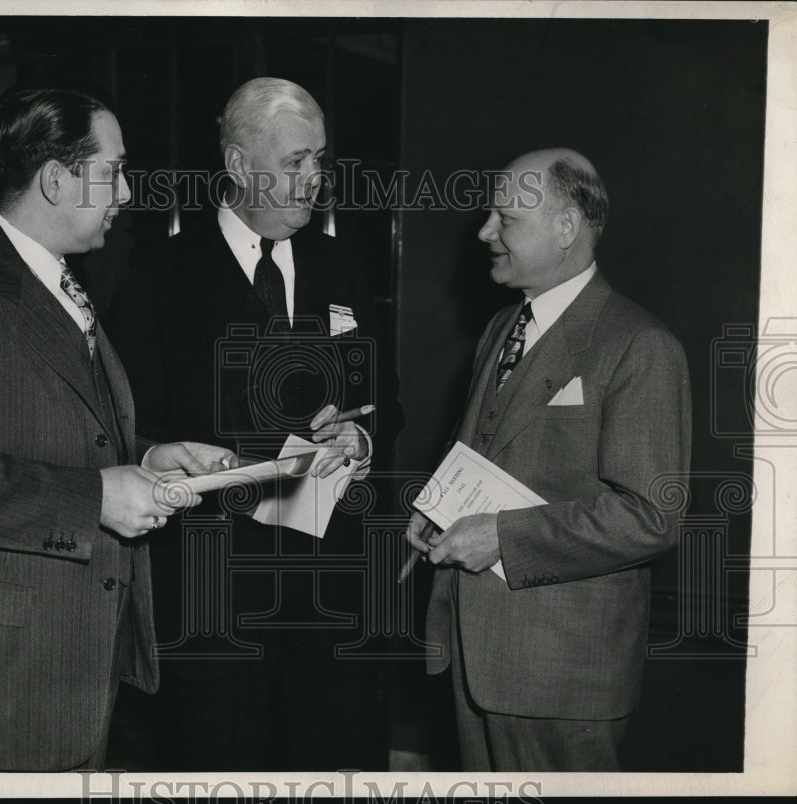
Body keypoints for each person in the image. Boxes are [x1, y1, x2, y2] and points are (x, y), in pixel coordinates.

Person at [0, 85, 236, 772]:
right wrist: (97, 498)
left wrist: (154, 457)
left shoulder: (56, 282)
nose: (125, 193)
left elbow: (61, 432)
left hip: (67, 666)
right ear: (55, 179)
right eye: (114, 171)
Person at [106, 77, 403, 770]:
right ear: (239, 166)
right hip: (215, 602)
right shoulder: (160, 277)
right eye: (295, 161)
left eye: (320, 160)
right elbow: (122, 428)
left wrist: (361, 436)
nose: (315, 180)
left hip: (332, 598)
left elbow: (384, 392)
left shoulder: (342, 266)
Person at [406, 149, 691, 771]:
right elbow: (487, 449)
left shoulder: (640, 347)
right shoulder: (502, 328)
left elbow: (651, 517)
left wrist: (501, 537)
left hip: (561, 674)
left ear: (566, 229)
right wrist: (440, 509)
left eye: (504, 218)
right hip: (476, 653)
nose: (484, 231)